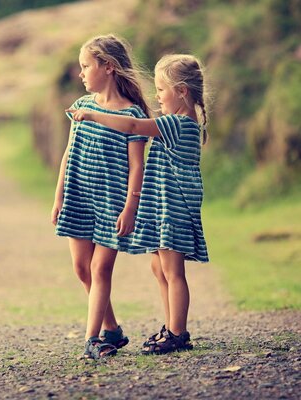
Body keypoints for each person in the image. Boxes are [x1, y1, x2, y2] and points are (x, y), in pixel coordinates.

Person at [67, 53, 210, 354]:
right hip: (165, 209)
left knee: (173, 272)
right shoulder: (181, 122)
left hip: (174, 209)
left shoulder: (178, 123)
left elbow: (133, 126)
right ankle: (170, 326)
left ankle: (178, 333)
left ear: (181, 91)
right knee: (159, 269)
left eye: (160, 90)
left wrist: (94, 115)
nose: (157, 97)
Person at [52, 34, 151, 360]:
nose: (80, 73)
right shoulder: (81, 108)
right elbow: (68, 153)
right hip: (79, 196)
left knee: (100, 269)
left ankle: (93, 339)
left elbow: (137, 167)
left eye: (85, 66)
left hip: (112, 203)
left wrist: (130, 207)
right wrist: (59, 195)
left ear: (107, 67)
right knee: (82, 269)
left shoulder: (132, 116)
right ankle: (112, 330)